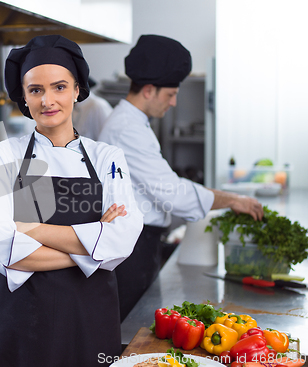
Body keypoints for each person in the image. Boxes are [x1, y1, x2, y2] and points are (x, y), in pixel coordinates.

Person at [0, 35, 143, 367]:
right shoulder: (2, 154)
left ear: (77, 90)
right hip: (24, 320)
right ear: (24, 97)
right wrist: (93, 249)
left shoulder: (107, 156)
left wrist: (28, 229)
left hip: (89, 319)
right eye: (36, 90)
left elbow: (123, 238)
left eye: (59, 87)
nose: (47, 100)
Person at [98, 34, 265, 321]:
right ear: (149, 90)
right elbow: (172, 193)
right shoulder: (127, 129)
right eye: (171, 94)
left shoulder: (133, 124)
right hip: (131, 254)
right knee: (128, 336)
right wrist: (232, 200)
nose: (174, 102)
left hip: (141, 246)